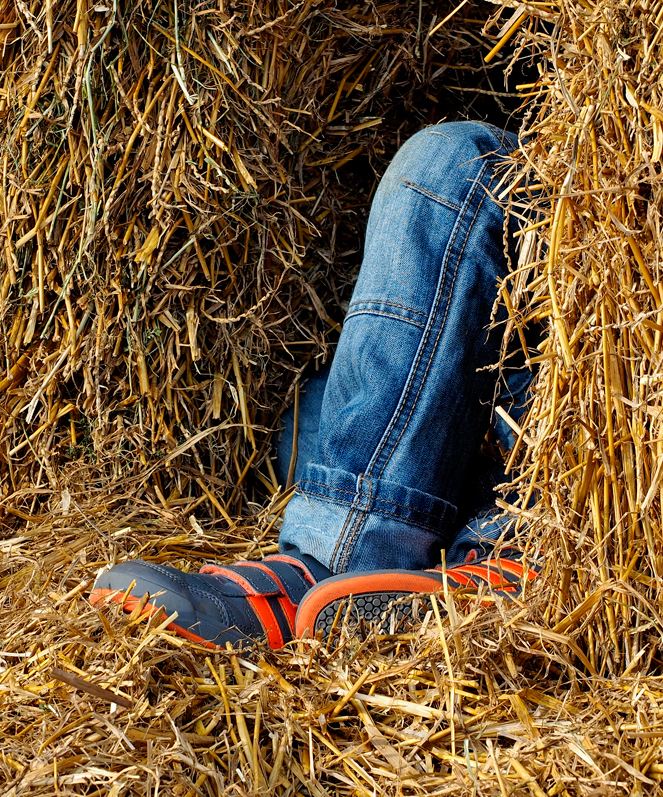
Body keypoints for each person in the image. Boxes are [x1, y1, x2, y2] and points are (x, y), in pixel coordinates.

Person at [89, 122, 539, 649]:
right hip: (475, 440)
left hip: (535, 459)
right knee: (304, 422)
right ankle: (440, 547)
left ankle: (338, 562)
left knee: (454, 162)